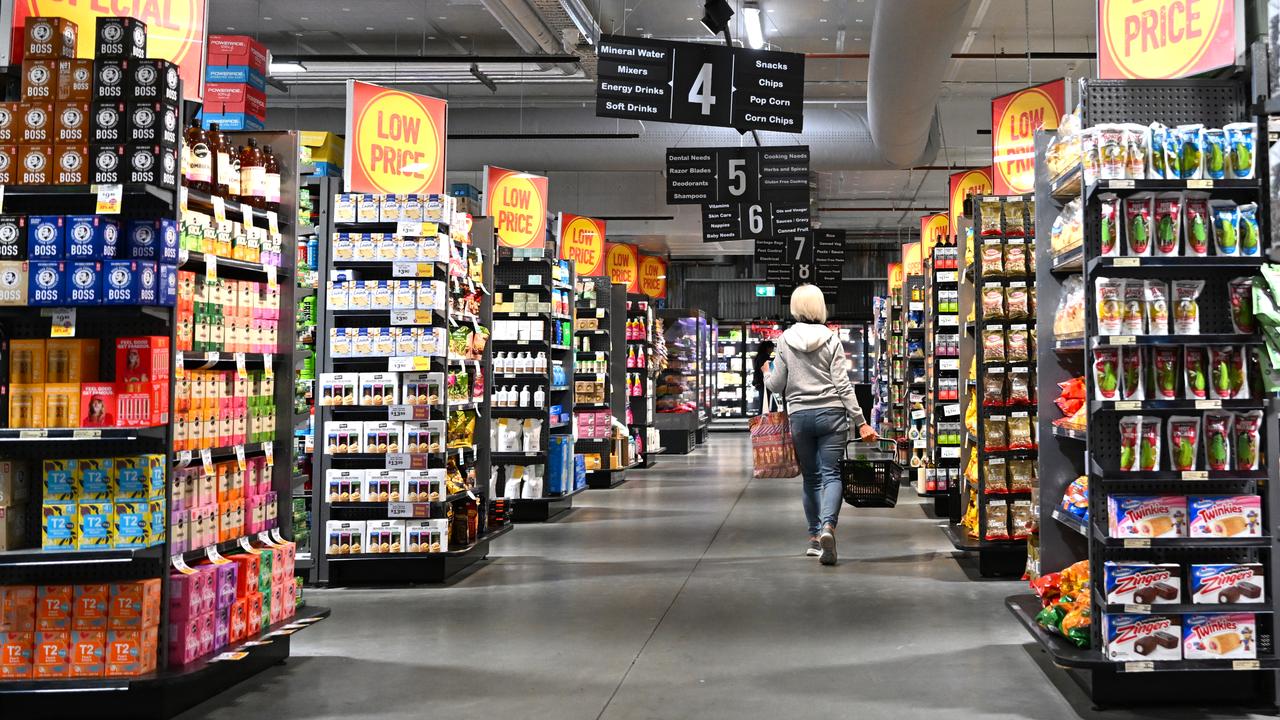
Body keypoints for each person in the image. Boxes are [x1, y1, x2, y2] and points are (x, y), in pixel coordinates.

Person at [765, 285, 876, 566]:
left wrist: (768, 374)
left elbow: (777, 385)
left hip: (800, 416)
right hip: (832, 415)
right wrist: (861, 421)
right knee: (832, 476)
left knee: (811, 478)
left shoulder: (784, 340)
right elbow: (842, 384)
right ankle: (829, 527)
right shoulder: (831, 339)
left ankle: (814, 538)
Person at [749, 340, 775, 415]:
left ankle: (761, 423)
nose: (772, 350)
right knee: (765, 404)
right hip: (764, 383)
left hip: (760, 383)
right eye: (772, 348)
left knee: (763, 404)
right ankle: (761, 423)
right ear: (768, 348)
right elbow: (765, 370)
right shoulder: (764, 357)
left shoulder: (760, 356)